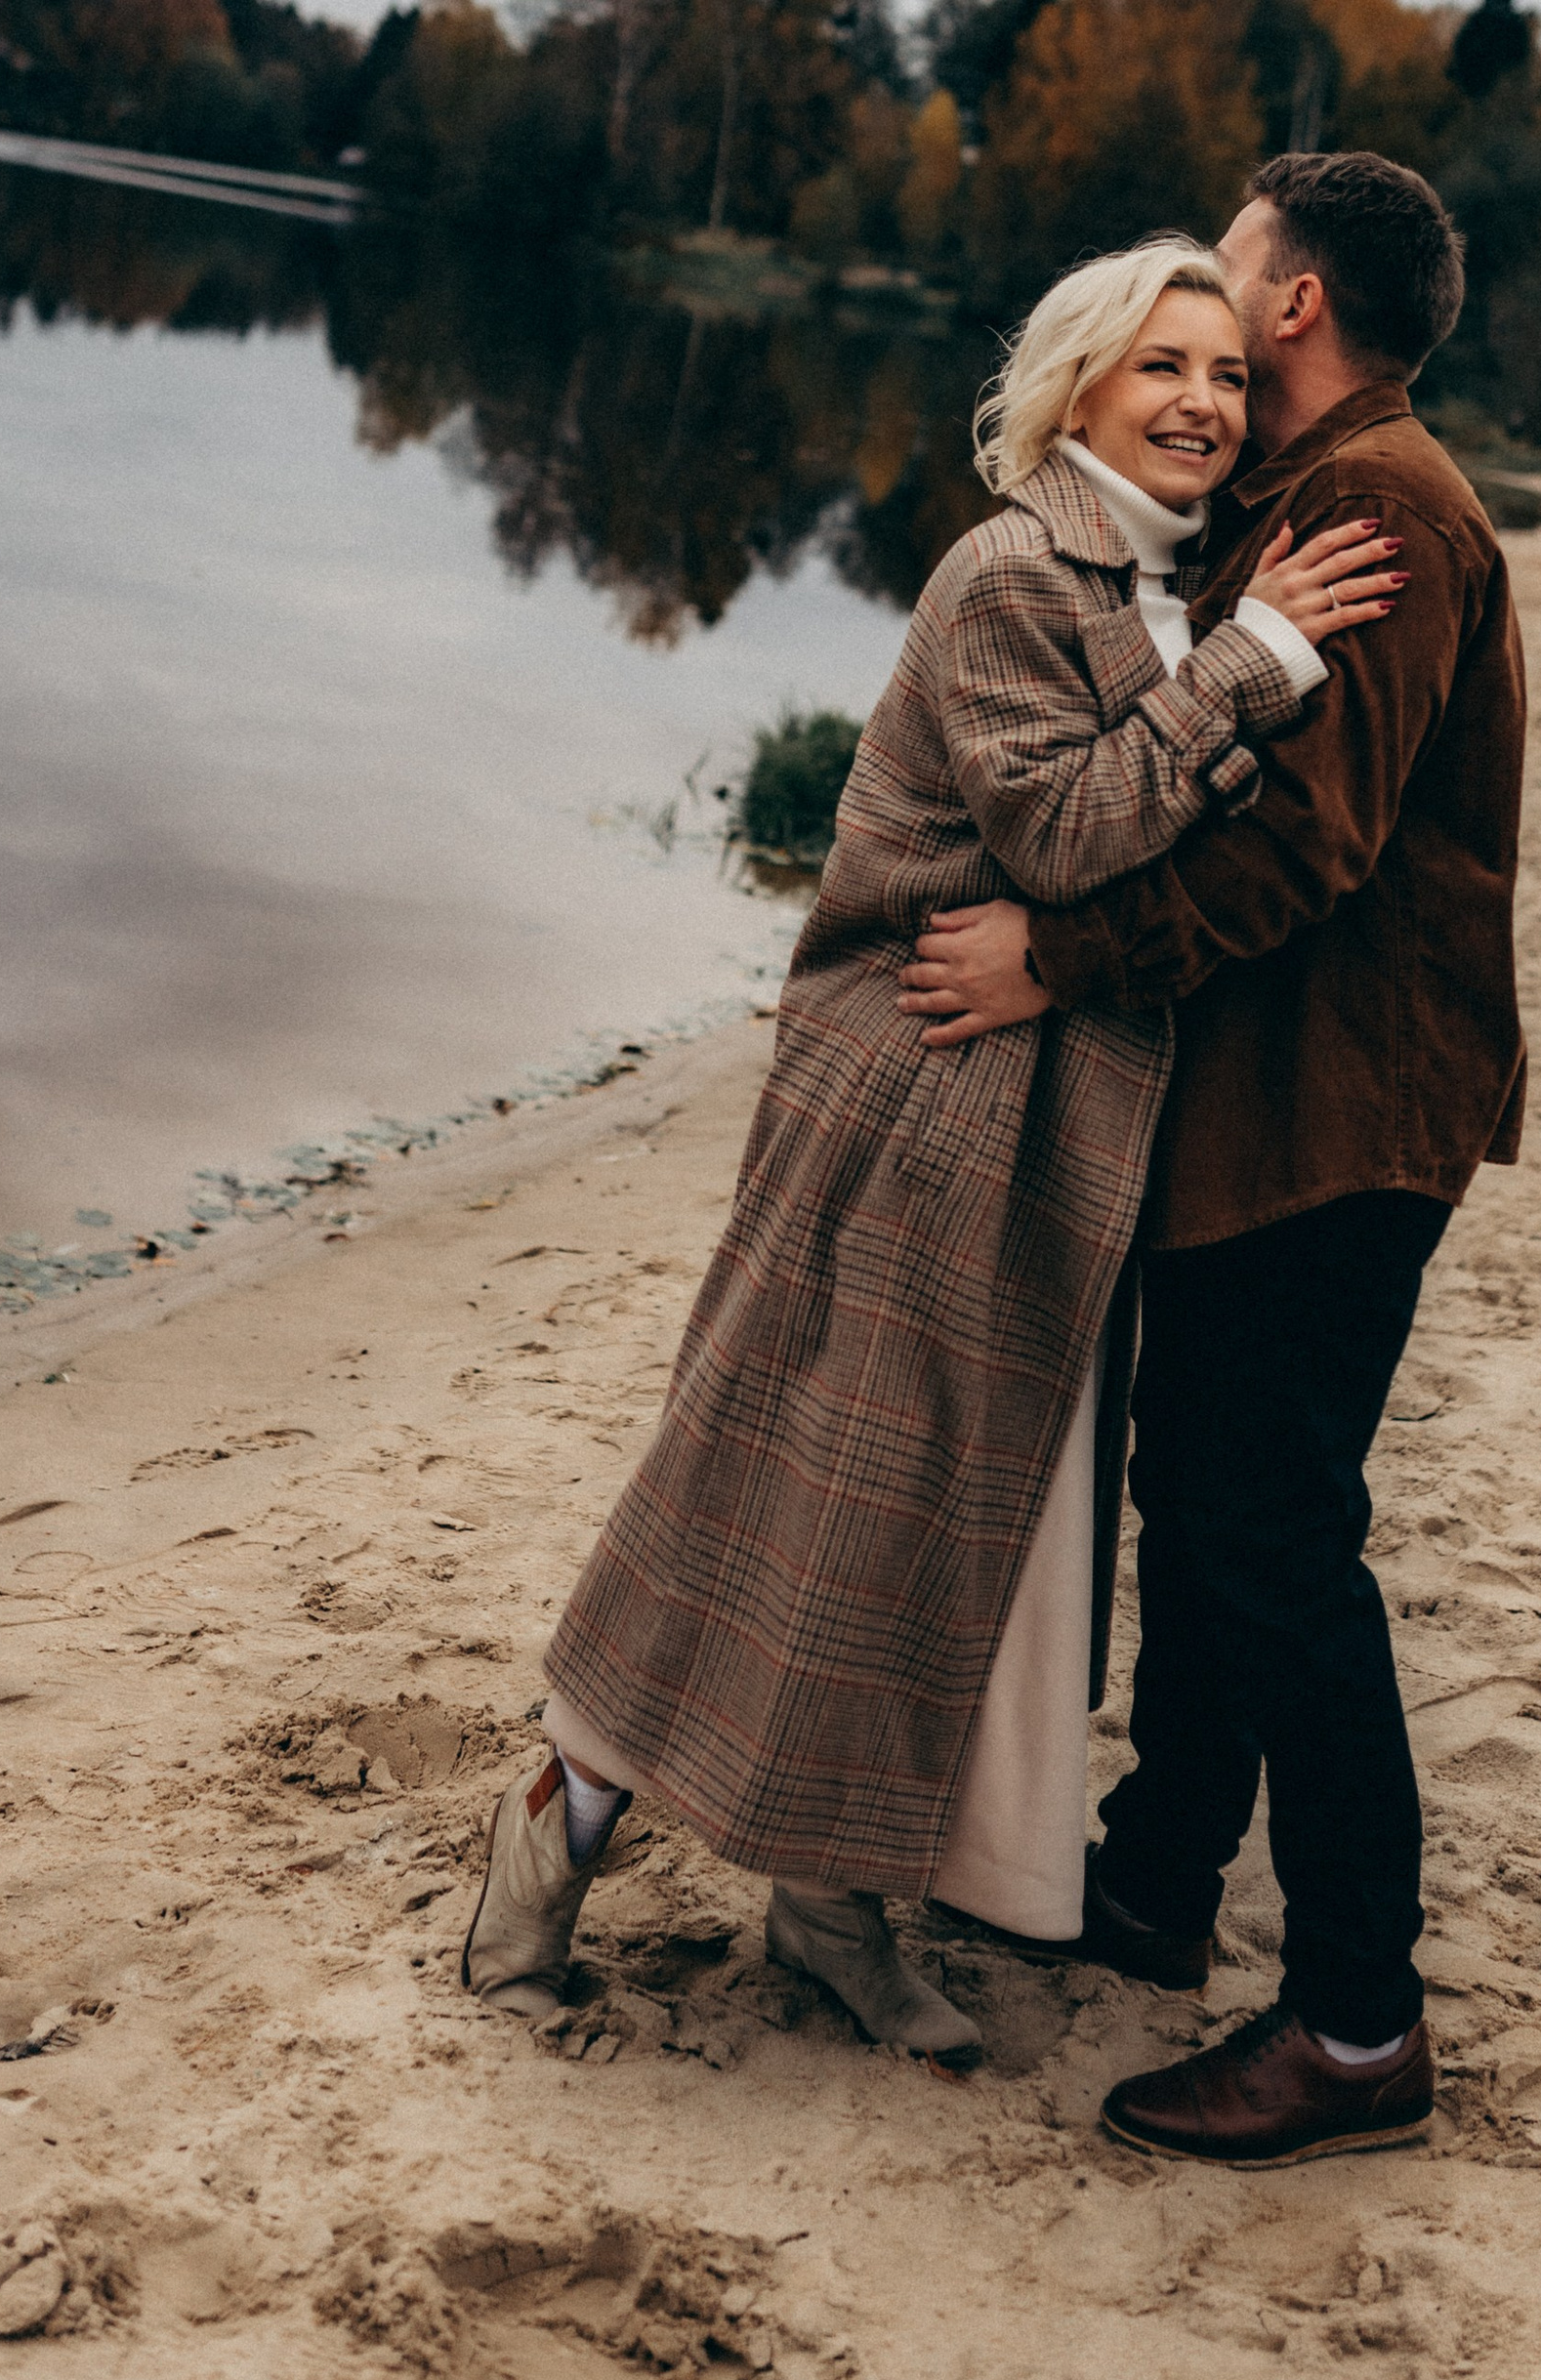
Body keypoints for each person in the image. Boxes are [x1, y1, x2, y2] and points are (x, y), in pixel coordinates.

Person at [463, 236, 1405, 2063]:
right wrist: (1263, 663)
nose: (1205, 401)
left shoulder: (1165, 582)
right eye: (1163, 370)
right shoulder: (1009, 572)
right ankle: (546, 1835)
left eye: (1224, 372)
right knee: (783, 1495)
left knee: (951, 1539)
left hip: (1049, 1138)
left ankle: (829, 1903)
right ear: (1074, 389)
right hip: (909, 1116)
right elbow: (1058, 833)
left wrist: (1237, 642)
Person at [896, 148, 1525, 2167]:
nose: (1215, 294)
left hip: (1344, 1108)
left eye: (1236, 270)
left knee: (1271, 1542)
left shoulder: (1379, 511)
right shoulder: (1289, 503)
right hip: (1276, 1102)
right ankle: (1159, 1879)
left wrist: (1048, 960)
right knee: (1204, 1496)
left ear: (1291, 306)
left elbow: (1302, 845)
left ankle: (1353, 2027)